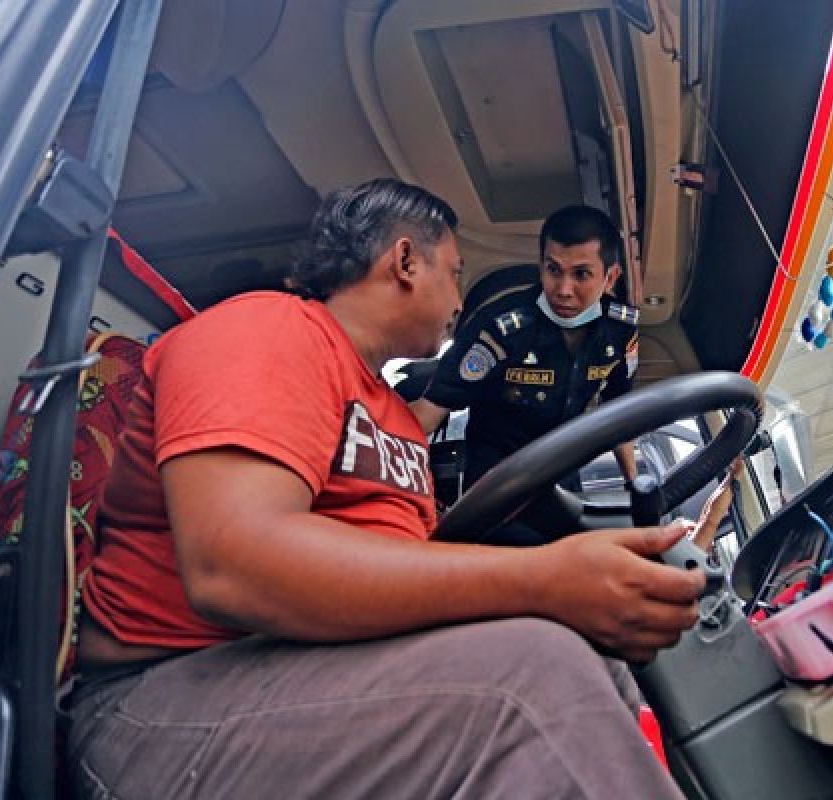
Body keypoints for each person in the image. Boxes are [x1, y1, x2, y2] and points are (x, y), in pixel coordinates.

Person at [65, 180, 702, 799]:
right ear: (403, 260)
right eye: (454, 273)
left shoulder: (393, 417)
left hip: (309, 672)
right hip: (168, 697)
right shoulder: (269, 330)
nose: (459, 300)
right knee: (536, 679)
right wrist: (540, 581)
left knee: (594, 659)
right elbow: (234, 564)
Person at [409, 206, 640, 529]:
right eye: (553, 269)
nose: (563, 289)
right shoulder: (501, 329)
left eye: (581, 274)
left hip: (563, 487)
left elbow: (620, 413)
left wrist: (637, 486)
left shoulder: (620, 329)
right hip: (494, 491)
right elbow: (429, 413)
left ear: (610, 277)